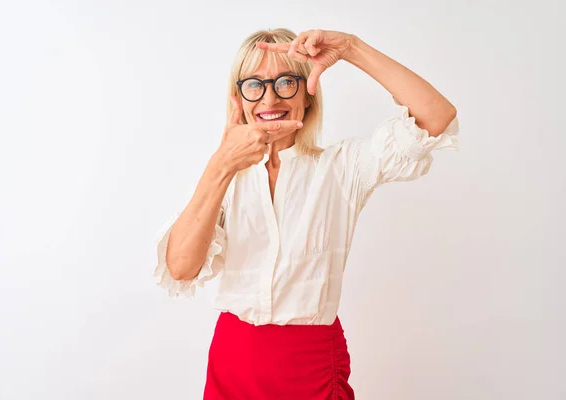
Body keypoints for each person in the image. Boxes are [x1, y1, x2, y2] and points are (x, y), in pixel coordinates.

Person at [153, 28, 459, 400]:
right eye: (254, 84)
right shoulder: (223, 175)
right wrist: (221, 164)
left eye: (285, 81)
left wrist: (351, 48)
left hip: (310, 365)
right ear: (238, 99)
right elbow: (181, 267)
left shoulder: (343, 167)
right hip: (232, 361)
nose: (269, 97)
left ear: (308, 93)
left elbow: (437, 117)